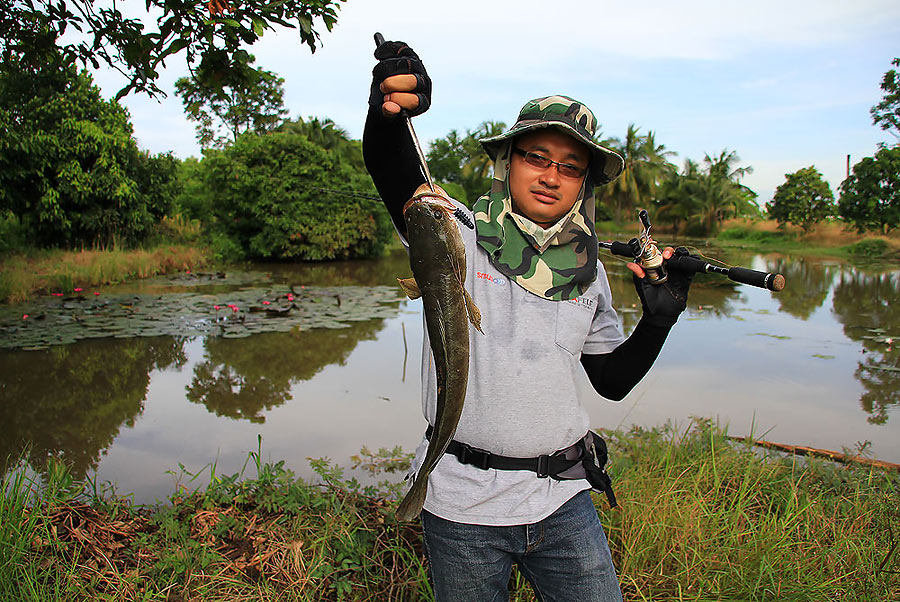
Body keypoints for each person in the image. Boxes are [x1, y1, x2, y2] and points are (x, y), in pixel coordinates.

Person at [363, 39, 693, 602]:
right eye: (536, 157)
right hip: (462, 503)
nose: (550, 176)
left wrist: (659, 321)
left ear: (583, 183)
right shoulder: (454, 232)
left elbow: (611, 382)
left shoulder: (589, 272)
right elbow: (394, 169)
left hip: (564, 503)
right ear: (507, 162)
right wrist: (389, 113)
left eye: (571, 167)